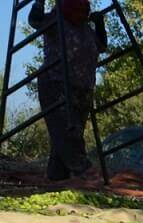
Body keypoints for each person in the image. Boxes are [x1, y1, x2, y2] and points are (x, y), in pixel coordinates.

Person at [28, 0, 107, 181]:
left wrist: (99, 23)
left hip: (83, 88)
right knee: (67, 130)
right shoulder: (56, 21)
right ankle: (83, 169)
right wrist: (39, 2)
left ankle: (57, 177)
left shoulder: (86, 29)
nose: (81, 12)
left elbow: (102, 46)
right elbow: (34, 21)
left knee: (69, 133)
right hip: (56, 84)